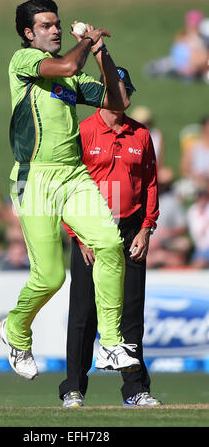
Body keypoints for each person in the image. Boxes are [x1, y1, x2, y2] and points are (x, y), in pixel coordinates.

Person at [0, 0, 140, 381]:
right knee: (50, 277)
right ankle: (15, 329)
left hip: (73, 175)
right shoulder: (24, 61)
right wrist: (84, 44)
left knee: (110, 244)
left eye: (57, 23)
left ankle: (111, 342)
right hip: (35, 178)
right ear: (29, 34)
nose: (56, 29)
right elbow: (66, 63)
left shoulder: (72, 76)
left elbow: (119, 100)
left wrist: (101, 52)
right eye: (46, 25)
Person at [59, 67, 161, 408]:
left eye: (126, 91)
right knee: (84, 312)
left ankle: (135, 390)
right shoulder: (83, 131)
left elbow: (150, 184)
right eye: (117, 91)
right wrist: (77, 234)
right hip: (91, 229)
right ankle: (73, 388)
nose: (124, 98)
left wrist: (146, 228)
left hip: (131, 229)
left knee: (131, 312)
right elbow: (66, 184)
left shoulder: (140, 134)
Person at [147, 167, 191, 269]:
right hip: (148, 241)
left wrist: (167, 232)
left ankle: (164, 259)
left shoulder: (172, 201)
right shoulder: (145, 200)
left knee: (183, 244)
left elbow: (182, 226)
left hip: (166, 242)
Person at [180, 115, 209, 187]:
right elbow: (184, 168)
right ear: (203, 127)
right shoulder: (192, 146)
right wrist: (196, 176)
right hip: (195, 180)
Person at [187, 183, 209, 269]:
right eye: (200, 197)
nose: (202, 200)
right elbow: (196, 232)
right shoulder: (193, 211)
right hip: (199, 247)